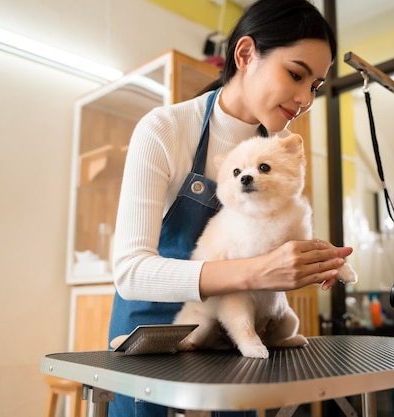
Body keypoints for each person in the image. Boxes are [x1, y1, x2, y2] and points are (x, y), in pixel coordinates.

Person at [107, 1, 351, 416]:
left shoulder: (274, 153)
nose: (305, 98)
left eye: (315, 85)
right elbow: (130, 272)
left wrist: (297, 266)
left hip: (234, 344)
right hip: (151, 344)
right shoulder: (165, 130)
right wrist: (260, 271)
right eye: (296, 74)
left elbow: (261, 254)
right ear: (244, 55)